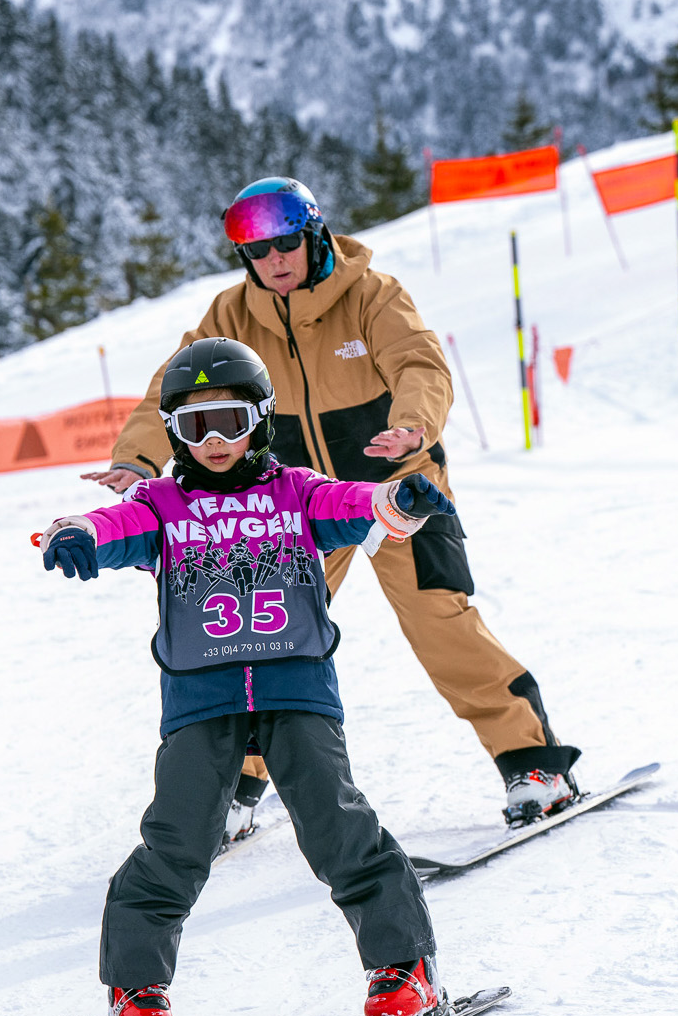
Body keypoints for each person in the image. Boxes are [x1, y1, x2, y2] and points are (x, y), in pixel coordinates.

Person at [85, 177, 580, 828]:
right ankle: (238, 782)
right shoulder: (230, 319)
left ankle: (533, 761)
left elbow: (419, 365)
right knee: (262, 635)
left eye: (286, 243)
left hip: (396, 484)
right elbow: (171, 393)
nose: (274, 261)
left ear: (314, 234)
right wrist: (137, 457)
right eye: (257, 252)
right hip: (302, 501)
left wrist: (413, 424)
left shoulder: (371, 294)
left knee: (441, 619)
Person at [42, 337, 452, 1016]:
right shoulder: (162, 504)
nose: (215, 441)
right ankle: (137, 990)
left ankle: (404, 967)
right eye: (194, 427)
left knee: (337, 824)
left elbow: (360, 505)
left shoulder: (295, 491)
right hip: (202, 699)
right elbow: (114, 525)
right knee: (177, 837)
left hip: (296, 686)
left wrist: (401, 498)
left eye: (230, 421)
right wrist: (76, 531)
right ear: (173, 432)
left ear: (260, 421)